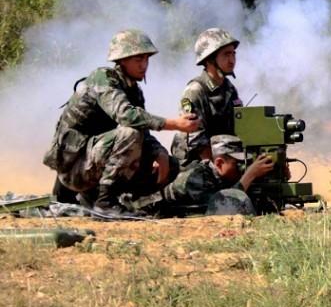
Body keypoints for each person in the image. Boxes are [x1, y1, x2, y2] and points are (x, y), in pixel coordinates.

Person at [42, 29, 200, 214]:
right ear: (122, 60)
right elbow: (126, 116)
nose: (144, 65)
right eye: (138, 60)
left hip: (92, 163)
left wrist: (160, 154)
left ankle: (131, 201)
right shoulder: (103, 79)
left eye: (146, 59)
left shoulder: (133, 90)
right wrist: (174, 124)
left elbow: (144, 133)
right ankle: (105, 203)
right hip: (73, 169)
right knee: (129, 134)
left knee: (170, 164)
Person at [171, 28, 243, 166]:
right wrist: (219, 171)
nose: (232, 60)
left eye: (233, 54)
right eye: (226, 55)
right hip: (194, 162)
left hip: (222, 159)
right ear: (210, 59)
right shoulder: (195, 91)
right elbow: (197, 142)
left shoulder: (229, 89)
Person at [161, 134, 275, 215]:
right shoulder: (196, 178)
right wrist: (249, 176)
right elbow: (223, 207)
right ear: (219, 164)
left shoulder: (224, 176)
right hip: (155, 211)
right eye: (237, 164)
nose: (242, 168)